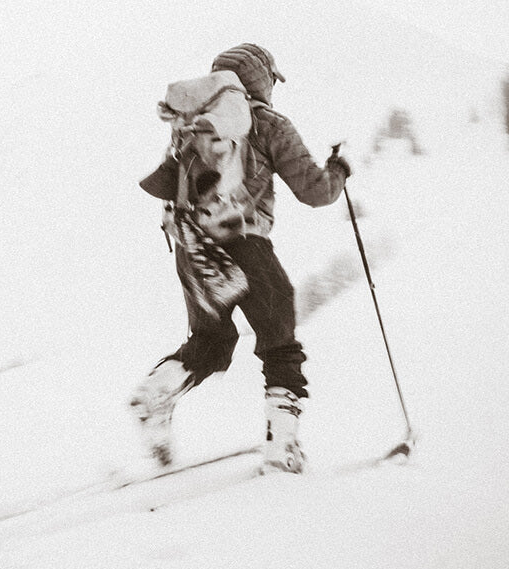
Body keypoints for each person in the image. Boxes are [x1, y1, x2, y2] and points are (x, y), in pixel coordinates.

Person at [130, 42, 351, 474]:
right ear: (262, 78)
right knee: (279, 340)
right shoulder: (267, 124)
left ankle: (158, 391)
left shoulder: (188, 128)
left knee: (211, 343)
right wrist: (339, 170)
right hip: (246, 246)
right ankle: (281, 446)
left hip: (193, 250)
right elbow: (315, 192)